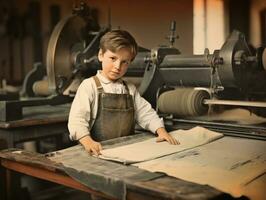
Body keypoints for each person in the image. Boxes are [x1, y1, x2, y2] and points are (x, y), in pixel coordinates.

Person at [68, 29, 179, 156]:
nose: (117, 66)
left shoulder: (129, 89)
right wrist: (88, 142)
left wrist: (161, 131)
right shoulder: (89, 86)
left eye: (124, 62)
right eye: (113, 58)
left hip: (125, 150)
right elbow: (77, 120)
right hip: (98, 151)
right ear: (100, 55)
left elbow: (145, 113)